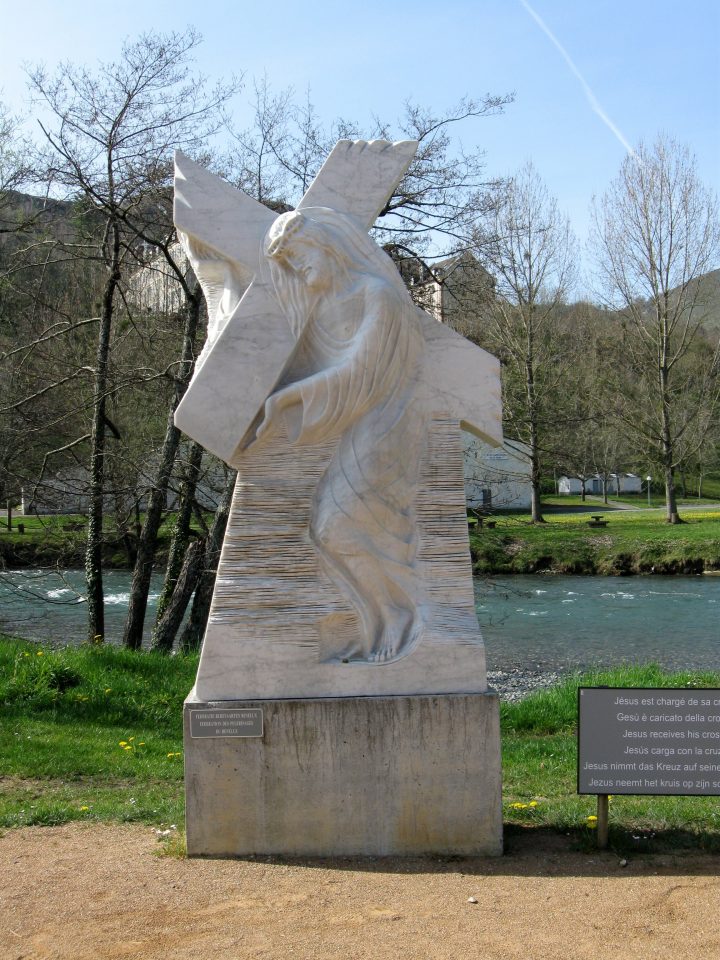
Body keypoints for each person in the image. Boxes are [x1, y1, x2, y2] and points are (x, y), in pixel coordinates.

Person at [248, 207, 427, 663]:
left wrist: (287, 398)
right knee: (328, 529)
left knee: (336, 526)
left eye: (300, 255)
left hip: (388, 428)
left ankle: (399, 617)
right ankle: (381, 621)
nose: (297, 267)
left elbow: (360, 374)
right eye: (288, 262)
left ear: (326, 243)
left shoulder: (378, 296)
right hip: (360, 431)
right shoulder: (323, 310)